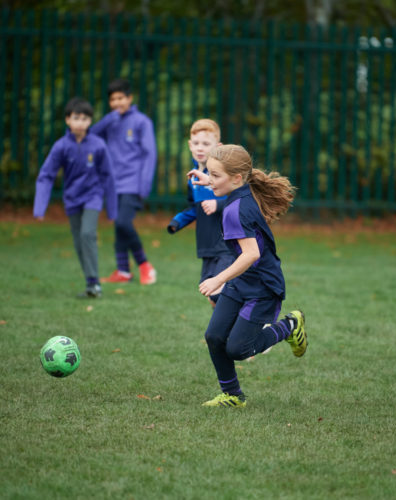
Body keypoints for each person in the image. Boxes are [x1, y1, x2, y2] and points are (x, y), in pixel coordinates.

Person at [191, 144, 307, 408]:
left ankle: (290, 326)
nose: (211, 179)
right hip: (242, 281)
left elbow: (251, 254)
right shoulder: (242, 189)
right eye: (210, 173)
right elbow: (227, 180)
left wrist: (218, 278)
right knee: (214, 336)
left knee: (238, 349)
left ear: (237, 178)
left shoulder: (236, 210)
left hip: (263, 287)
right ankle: (232, 395)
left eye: (215, 175)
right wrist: (210, 179)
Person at [33, 97, 117, 298]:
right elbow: (46, 176)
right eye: (76, 118)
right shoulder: (61, 146)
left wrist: (112, 209)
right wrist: (39, 207)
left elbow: (108, 176)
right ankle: (90, 283)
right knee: (79, 241)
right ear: (67, 120)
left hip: (92, 197)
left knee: (88, 234)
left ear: (90, 122)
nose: (81, 122)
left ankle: (96, 284)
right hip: (72, 199)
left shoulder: (98, 145)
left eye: (85, 119)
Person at [92, 78, 157, 285]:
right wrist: (108, 119)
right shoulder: (110, 121)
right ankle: (123, 271)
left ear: (130, 98)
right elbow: (89, 135)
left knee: (123, 222)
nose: (117, 102)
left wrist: (144, 185)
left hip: (132, 183)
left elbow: (150, 154)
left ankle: (145, 265)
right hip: (113, 184)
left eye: (121, 98)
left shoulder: (142, 122)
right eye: (113, 99)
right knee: (119, 226)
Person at [167, 119, 234, 307]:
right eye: (196, 143)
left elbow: (240, 198)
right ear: (190, 145)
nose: (200, 148)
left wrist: (218, 204)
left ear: (218, 147)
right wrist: (178, 220)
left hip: (227, 244)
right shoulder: (193, 177)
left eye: (206, 144)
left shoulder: (224, 174)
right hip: (207, 246)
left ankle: (244, 326)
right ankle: (222, 334)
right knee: (211, 295)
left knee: (220, 291)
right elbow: (194, 208)